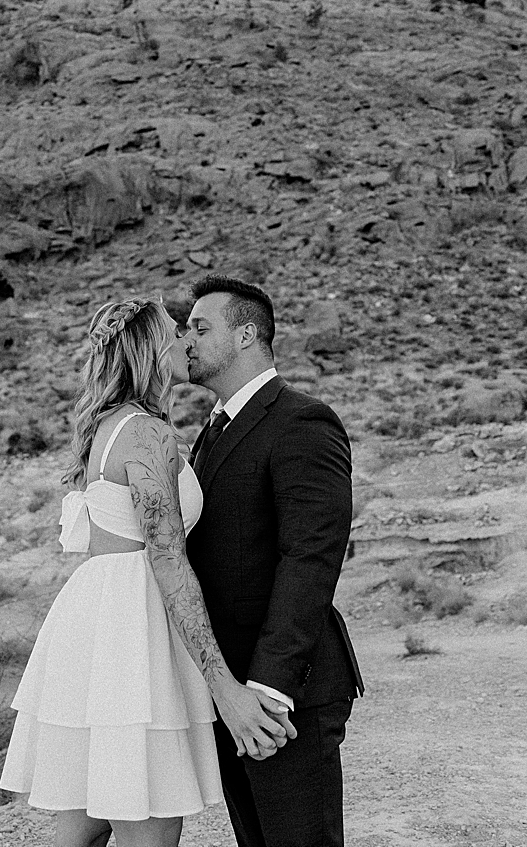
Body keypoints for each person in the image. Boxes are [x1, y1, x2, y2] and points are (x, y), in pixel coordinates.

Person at [0, 298, 294, 847]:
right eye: (175, 333)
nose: (187, 340)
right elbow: (167, 558)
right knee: (151, 824)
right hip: (132, 626)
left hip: (95, 613)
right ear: (151, 352)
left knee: (84, 820)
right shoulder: (147, 433)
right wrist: (223, 685)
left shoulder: (110, 425)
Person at [182, 275, 364, 847]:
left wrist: (268, 689)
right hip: (228, 691)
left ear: (245, 336)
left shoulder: (301, 421)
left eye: (200, 327)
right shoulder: (209, 432)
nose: (186, 339)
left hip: (285, 690)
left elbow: (311, 556)